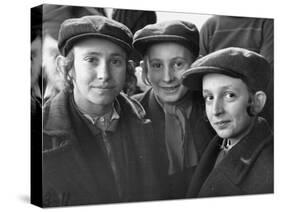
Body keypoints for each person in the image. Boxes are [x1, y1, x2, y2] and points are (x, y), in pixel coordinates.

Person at [42, 15, 160, 207]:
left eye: (115, 61)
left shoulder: (143, 119)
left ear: (127, 69)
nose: (104, 75)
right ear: (67, 68)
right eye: (91, 60)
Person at [132, 20, 215, 199]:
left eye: (178, 64)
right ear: (145, 68)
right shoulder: (130, 114)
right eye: (157, 65)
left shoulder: (215, 108)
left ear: (196, 64)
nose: (167, 78)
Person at [183, 47, 273, 198]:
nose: (216, 111)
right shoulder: (220, 143)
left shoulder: (271, 172)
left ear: (257, 102)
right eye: (209, 97)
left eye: (229, 95)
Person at [199, 15, 274, 128]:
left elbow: (266, 73)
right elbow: (202, 75)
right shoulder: (210, 27)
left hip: (259, 117)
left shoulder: (268, 23)